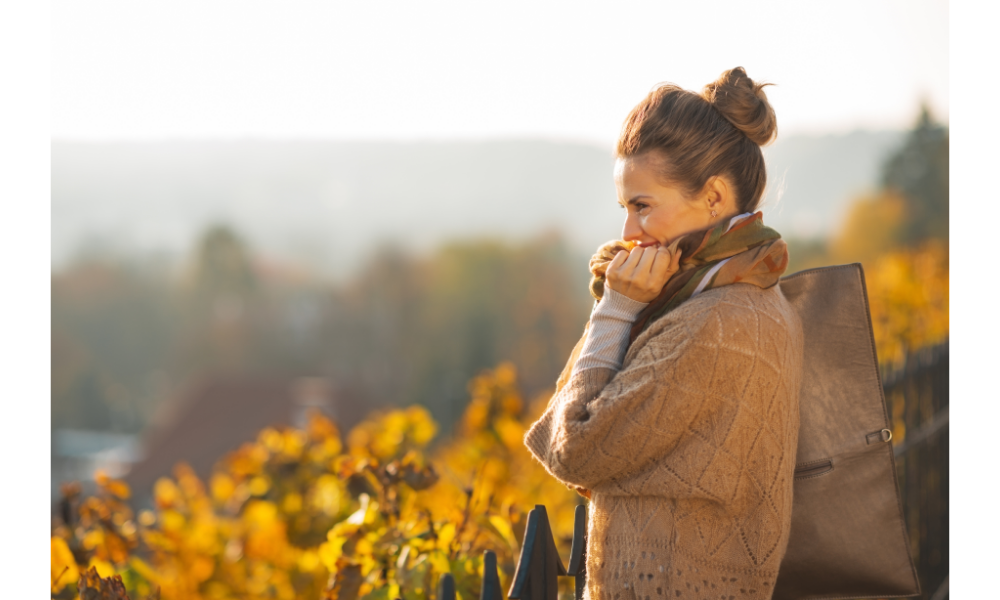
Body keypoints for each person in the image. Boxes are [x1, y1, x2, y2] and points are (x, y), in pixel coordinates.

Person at [524, 67, 805, 600]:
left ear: (715, 198)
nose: (628, 233)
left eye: (643, 206)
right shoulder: (751, 291)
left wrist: (616, 308)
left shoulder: (714, 323)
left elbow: (573, 447)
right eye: (624, 209)